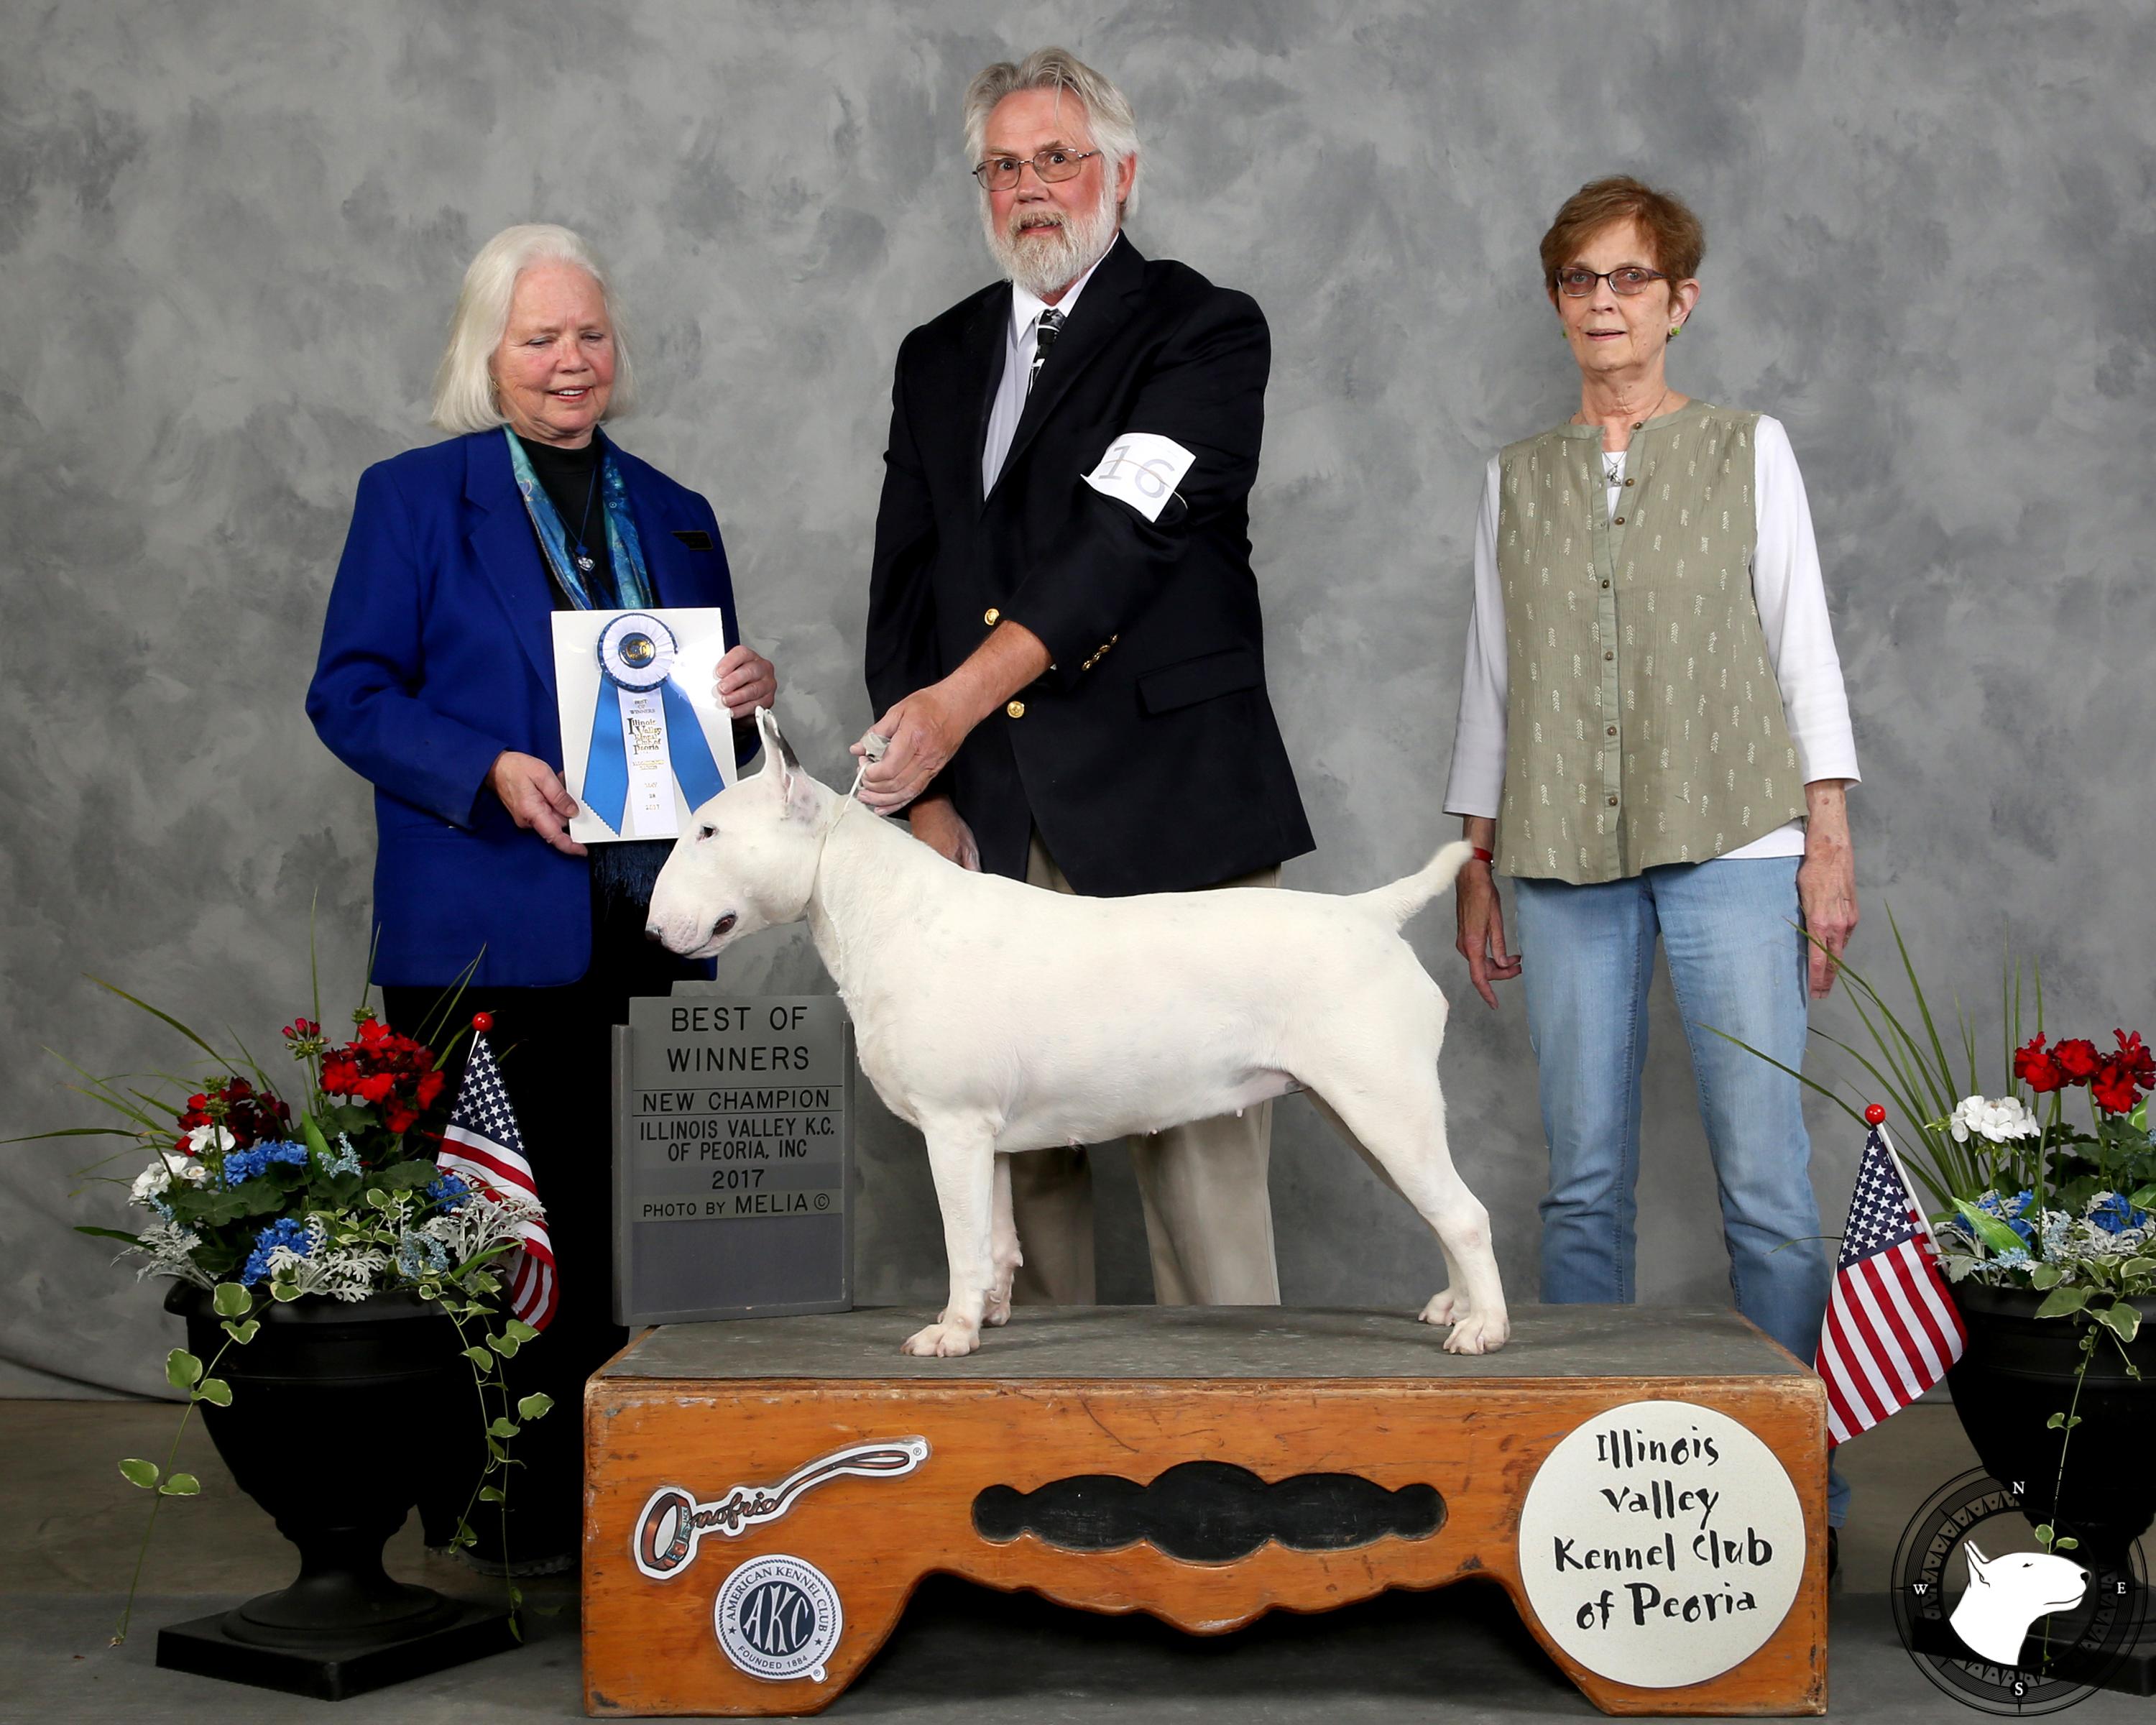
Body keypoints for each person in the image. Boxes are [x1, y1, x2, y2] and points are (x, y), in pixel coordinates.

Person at [306, 224, 777, 1570]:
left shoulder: (679, 510)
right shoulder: (413, 497)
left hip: (654, 931)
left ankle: (638, 1502)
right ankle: (498, 1505)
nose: (572, 363)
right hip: (488, 934)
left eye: (590, 335)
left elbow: (707, 743)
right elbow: (350, 695)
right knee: (502, 1233)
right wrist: (486, 769)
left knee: (644, 1233)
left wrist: (746, 700)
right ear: (487, 355)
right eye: (539, 340)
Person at [856, 48, 1313, 1307]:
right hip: (988, 818)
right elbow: (906, 584)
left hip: (1174, 808)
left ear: (1122, 169)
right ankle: (1050, 1477)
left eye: (1056, 157)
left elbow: (1125, 542)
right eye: (1002, 166)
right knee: (1016, 1180)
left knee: (1203, 1185)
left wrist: (948, 709)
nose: (1030, 189)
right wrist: (923, 794)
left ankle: (1235, 1481)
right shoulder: (935, 353)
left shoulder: (1206, 329)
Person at [1444, 177, 1861, 1541]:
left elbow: (1803, 644)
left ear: (1680, 300)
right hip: (1562, 846)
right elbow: (1494, 681)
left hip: (1739, 835)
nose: (1604, 304)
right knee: (1582, 1181)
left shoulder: (1752, 449)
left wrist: (1826, 841)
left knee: (1768, 1184)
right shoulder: (1517, 479)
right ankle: (1593, 1487)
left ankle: (1796, 1475)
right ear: (1559, 303)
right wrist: (1477, 854)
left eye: (1630, 280)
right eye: (1580, 281)